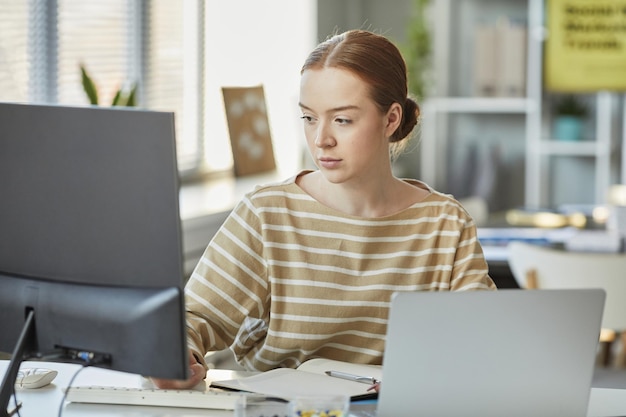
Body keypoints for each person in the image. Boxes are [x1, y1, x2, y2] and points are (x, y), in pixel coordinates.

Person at [154, 29, 496, 390]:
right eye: (309, 118)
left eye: (342, 120)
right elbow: (193, 318)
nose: (321, 140)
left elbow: (482, 341)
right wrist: (178, 355)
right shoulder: (267, 212)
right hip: (276, 409)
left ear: (391, 119)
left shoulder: (445, 223)